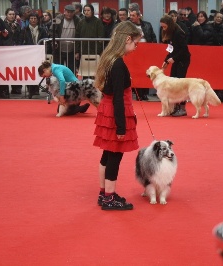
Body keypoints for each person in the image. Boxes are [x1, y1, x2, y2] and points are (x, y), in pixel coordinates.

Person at [93, 21, 141, 210]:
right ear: (127, 39)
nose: (136, 48)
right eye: (135, 43)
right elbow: (119, 98)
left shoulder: (109, 59)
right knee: (115, 156)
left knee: (107, 154)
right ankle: (109, 198)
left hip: (108, 110)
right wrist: (121, 126)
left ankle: (104, 193)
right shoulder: (119, 64)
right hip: (115, 112)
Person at [160, 15, 191, 117]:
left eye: (164, 27)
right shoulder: (170, 34)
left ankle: (182, 108)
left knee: (180, 84)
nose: (163, 29)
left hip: (183, 60)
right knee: (173, 83)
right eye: (162, 27)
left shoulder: (178, 33)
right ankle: (175, 106)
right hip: (176, 60)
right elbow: (171, 49)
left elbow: (184, 50)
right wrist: (166, 60)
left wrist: (174, 59)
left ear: (169, 25)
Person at [129, 8, 157, 101]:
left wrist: (153, 48)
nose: (131, 17)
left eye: (133, 15)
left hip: (146, 52)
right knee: (136, 71)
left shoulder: (147, 25)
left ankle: (145, 93)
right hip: (133, 50)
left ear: (138, 16)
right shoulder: (128, 25)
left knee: (146, 71)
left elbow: (153, 37)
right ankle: (138, 94)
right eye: (130, 15)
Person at [19, 12, 48, 98]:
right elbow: (21, 41)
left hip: (40, 54)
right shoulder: (24, 30)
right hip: (28, 54)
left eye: (35, 18)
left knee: (38, 71)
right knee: (29, 72)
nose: (33, 20)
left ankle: (36, 89)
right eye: (31, 18)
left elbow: (45, 41)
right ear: (28, 20)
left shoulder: (42, 30)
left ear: (38, 20)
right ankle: (30, 90)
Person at [54, 5, 80, 73]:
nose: (69, 14)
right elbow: (52, 30)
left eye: (71, 12)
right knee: (59, 70)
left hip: (72, 50)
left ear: (74, 13)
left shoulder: (77, 20)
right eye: (68, 12)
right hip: (59, 49)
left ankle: (72, 83)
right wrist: (55, 41)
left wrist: (77, 50)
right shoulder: (58, 18)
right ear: (64, 11)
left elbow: (79, 34)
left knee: (71, 71)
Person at [3, 7, 22, 95]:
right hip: (5, 50)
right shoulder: (2, 24)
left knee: (16, 70)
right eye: (10, 14)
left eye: (13, 14)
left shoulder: (18, 25)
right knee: (5, 70)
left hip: (16, 51)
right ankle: (4, 89)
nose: (12, 16)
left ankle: (16, 88)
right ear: (6, 15)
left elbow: (20, 37)